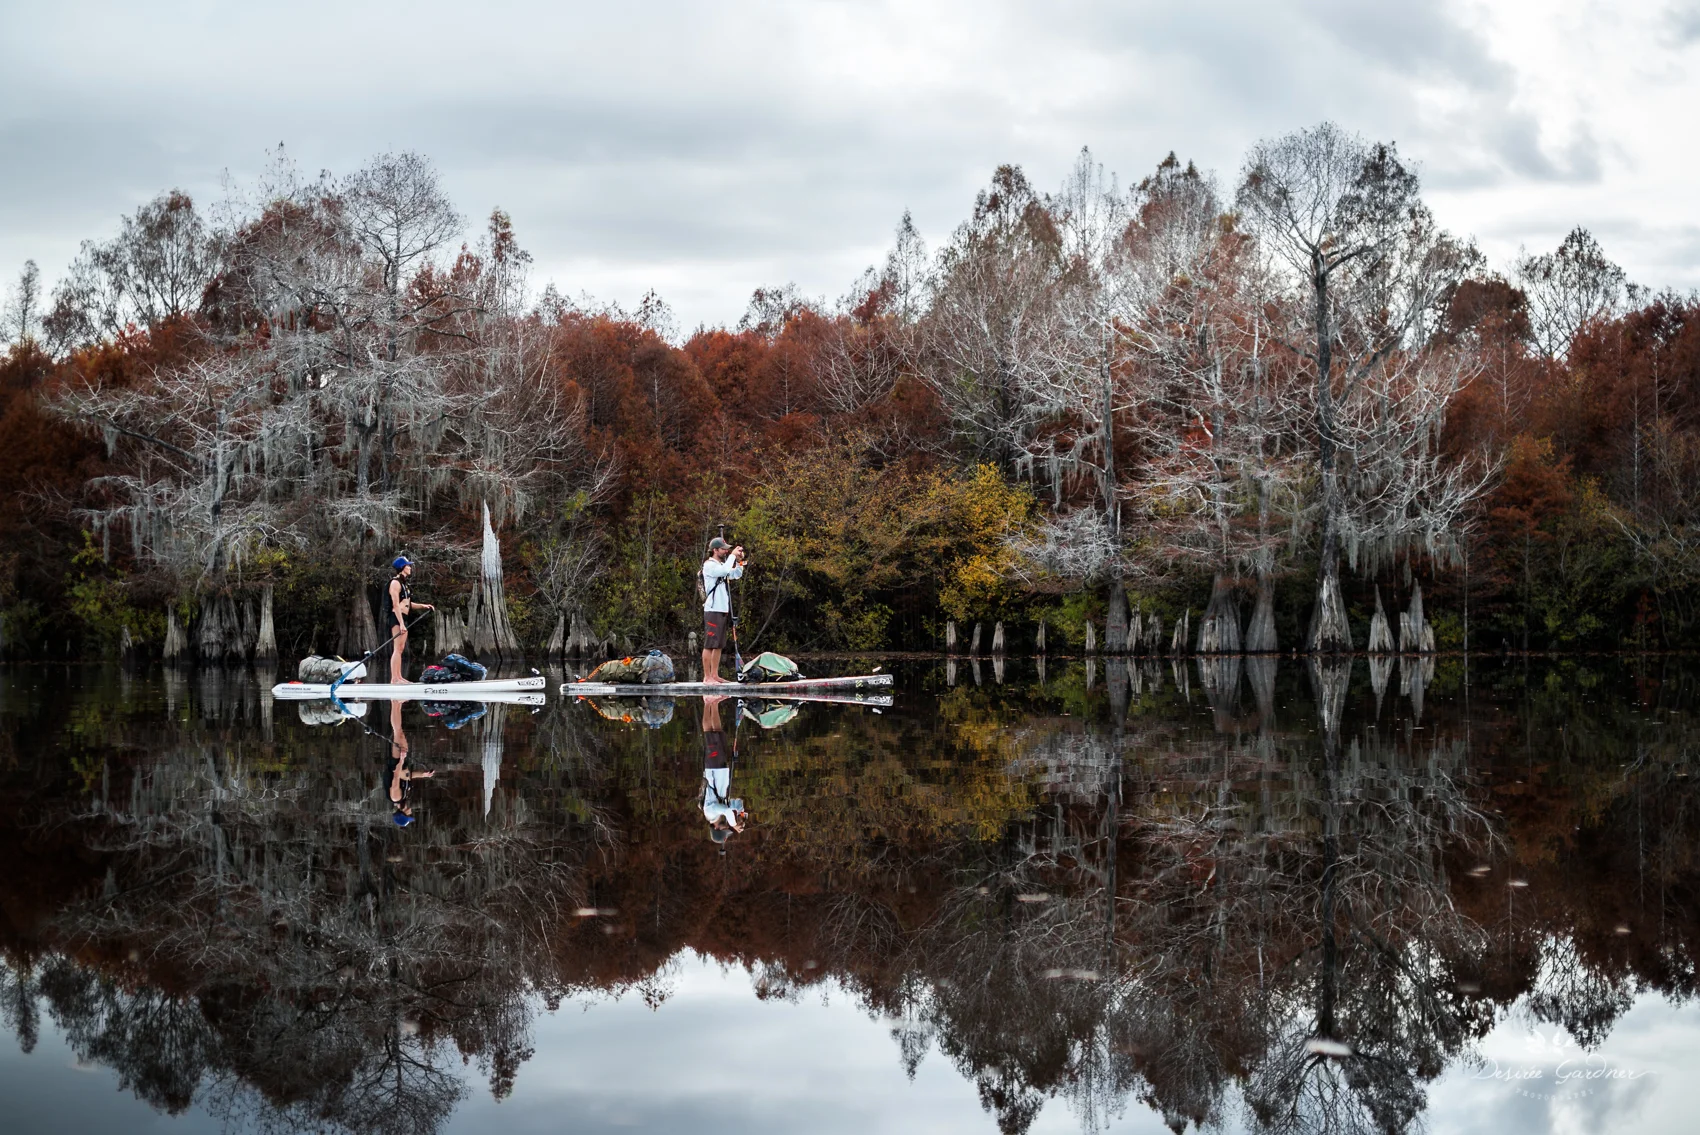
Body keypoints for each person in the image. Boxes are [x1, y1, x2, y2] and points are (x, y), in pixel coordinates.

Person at [700, 695, 746, 850]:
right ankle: (714, 703)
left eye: (725, 828)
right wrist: (741, 816)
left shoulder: (711, 812)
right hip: (721, 768)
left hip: (714, 768)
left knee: (709, 733)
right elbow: (737, 803)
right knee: (718, 733)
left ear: (718, 828)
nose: (727, 826)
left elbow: (727, 810)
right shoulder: (721, 812)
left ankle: (708, 702)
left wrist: (734, 826)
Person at [699, 537, 746, 684]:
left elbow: (735, 574)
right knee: (709, 644)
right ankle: (707, 677)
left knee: (719, 644)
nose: (726, 551)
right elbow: (725, 570)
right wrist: (732, 555)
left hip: (722, 609)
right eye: (723, 549)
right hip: (712, 609)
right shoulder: (710, 565)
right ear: (715, 550)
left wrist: (739, 562)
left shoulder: (721, 564)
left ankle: (715, 675)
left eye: (727, 549)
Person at [385, 699, 434, 827]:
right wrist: (424, 775)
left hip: (396, 763)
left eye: (409, 814)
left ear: (403, 813)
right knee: (400, 732)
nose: (411, 811)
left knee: (397, 733)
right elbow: (408, 776)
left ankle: (394, 703)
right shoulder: (405, 797)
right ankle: (397, 704)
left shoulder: (396, 797)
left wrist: (401, 759)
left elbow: (396, 776)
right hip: (402, 763)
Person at [386, 556, 434, 683]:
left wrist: (423, 606)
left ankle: (399, 677)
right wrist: (401, 623)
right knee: (397, 648)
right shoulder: (395, 583)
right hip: (396, 618)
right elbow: (396, 605)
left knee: (401, 648)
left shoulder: (404, 584)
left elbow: (408, 604)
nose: (410, 567)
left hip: (404, 618)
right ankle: (394, 678)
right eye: (408, 565)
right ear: (402, 567)